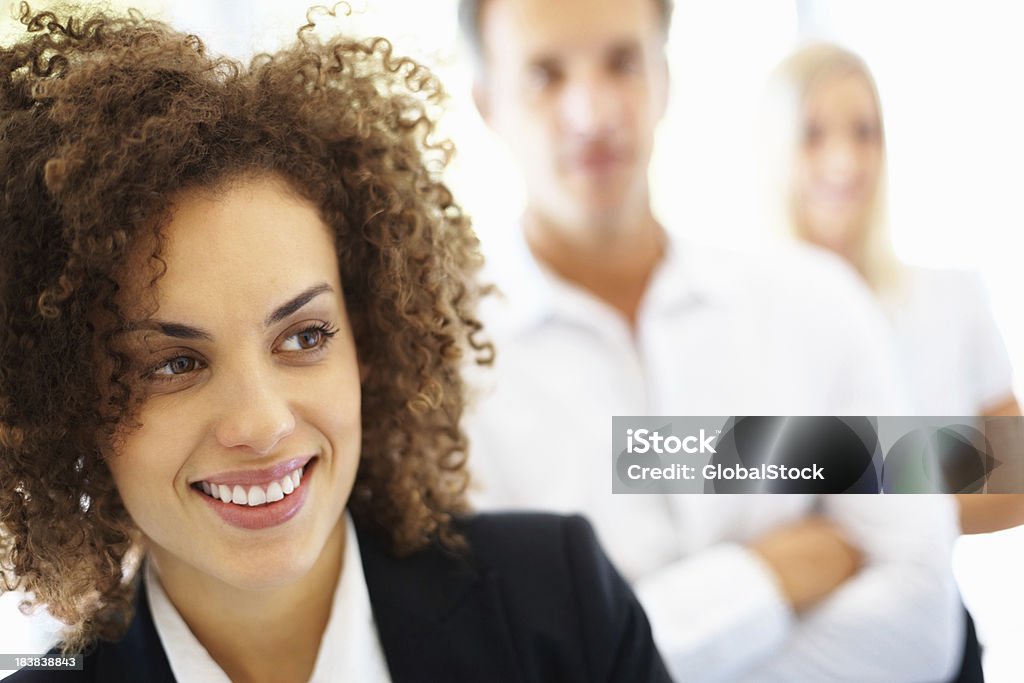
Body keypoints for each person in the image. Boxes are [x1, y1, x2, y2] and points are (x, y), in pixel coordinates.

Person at [0, 6, 671, 682]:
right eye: (174, 363)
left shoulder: (557, 601)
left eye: (305, 335)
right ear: (67, 402)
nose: (263, 423)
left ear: (368, 341)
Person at [459, 0, 964, 680]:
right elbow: (498, 661)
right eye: (545, 74)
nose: (593, 111)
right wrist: (760, 576)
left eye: (622, 62)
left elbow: (923, 619)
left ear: (664, 76)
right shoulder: (441, 373)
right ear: (486, 101)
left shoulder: (815, 303)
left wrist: (620, 644)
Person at [761, 42, 1023, 534]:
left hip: (928, 604)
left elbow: (1016, 481)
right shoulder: (739, 313)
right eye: (812, 134)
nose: (844, 161)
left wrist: (880, 513)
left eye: (864, 132)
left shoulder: (952, 298)